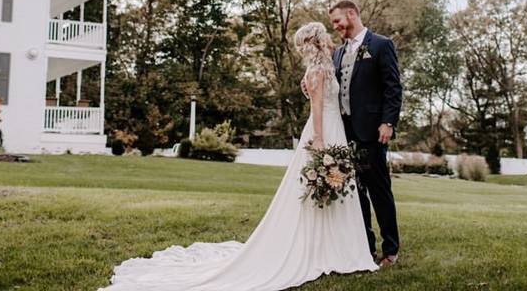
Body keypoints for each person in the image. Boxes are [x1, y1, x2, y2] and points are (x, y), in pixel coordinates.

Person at [100, 21, 377, 291]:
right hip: (322, 130)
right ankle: (321, 250)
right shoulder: (317, 72)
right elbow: (316, 107)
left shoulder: (326, 67)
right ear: (319, 42)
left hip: (334, 129)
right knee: (317, 186)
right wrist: (318, 139)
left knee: (335, 185)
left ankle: (336, 249)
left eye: (302, 45)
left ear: (309, 44)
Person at [329, 0, 402, 266]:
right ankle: (366, 247)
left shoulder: (381, 45)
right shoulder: (337, 53)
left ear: (351, 14)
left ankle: (391, 249)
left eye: (338, 21)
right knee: (355, 192)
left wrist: (388, 122)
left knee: (379, 190)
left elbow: (393, 87)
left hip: (372, 130)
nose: (336, 26)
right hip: (344, 131)